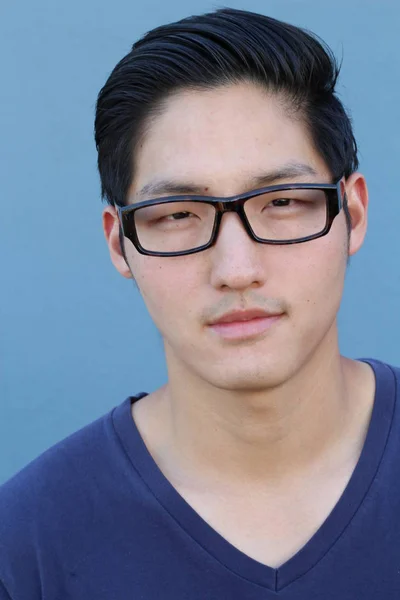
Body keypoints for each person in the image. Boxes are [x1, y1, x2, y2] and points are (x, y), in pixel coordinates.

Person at [1, 7, 399, 599]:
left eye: (283, 203)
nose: (237, 270)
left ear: (353, 214)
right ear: (119, 243)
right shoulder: (28, 543)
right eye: (178, 215)